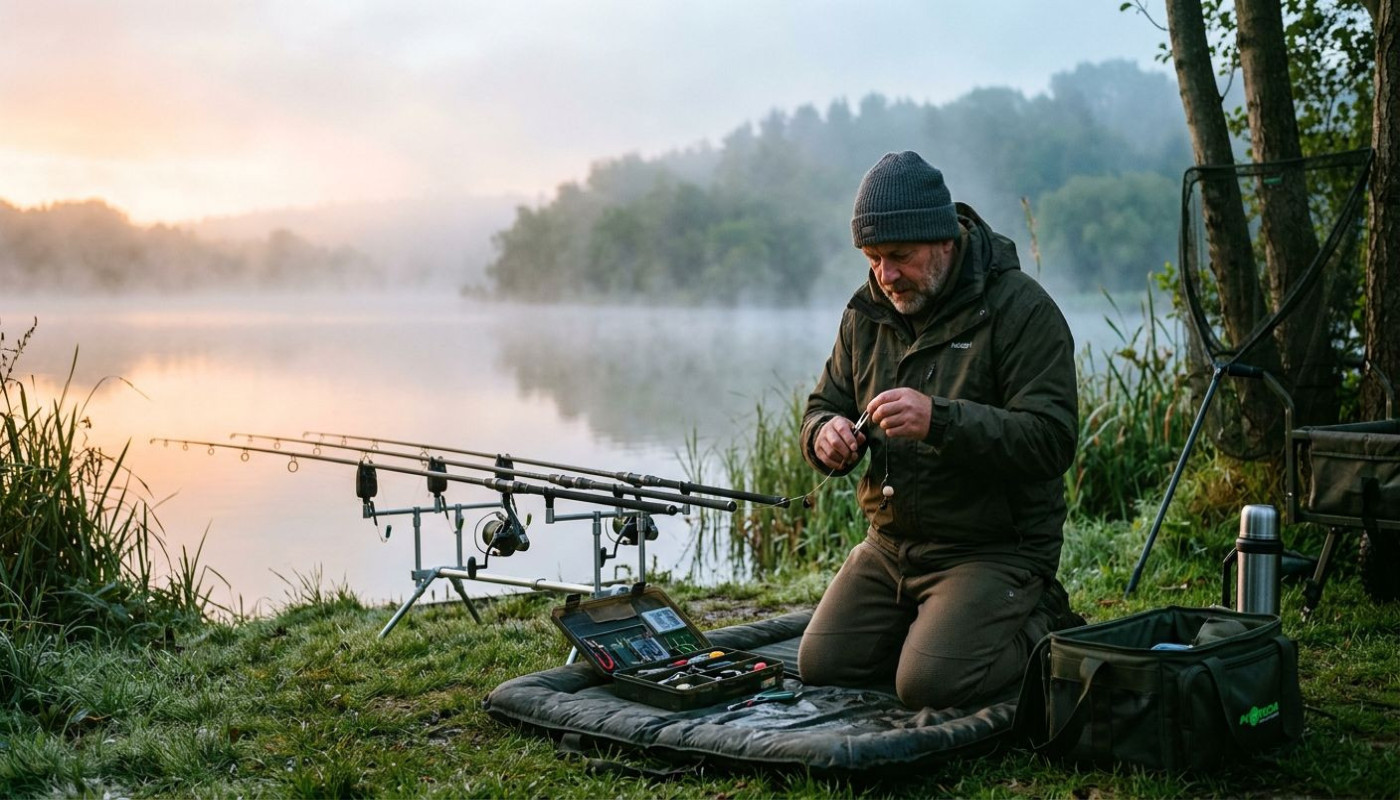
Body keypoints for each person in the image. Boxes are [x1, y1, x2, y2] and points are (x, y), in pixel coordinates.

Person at [797, 151, 1081, 710]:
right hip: (890, 547)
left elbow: (1052, 441)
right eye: (873, 258)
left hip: (992, 549)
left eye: (899, 256)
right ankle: (936, 631)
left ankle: (1041, 621)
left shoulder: (1022, 310)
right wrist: (823, 435)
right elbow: (821, 405)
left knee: (928, 686)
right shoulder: (866, 312)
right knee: (822, 666)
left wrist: (939, 421)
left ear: (945, 240)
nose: (885, 275)